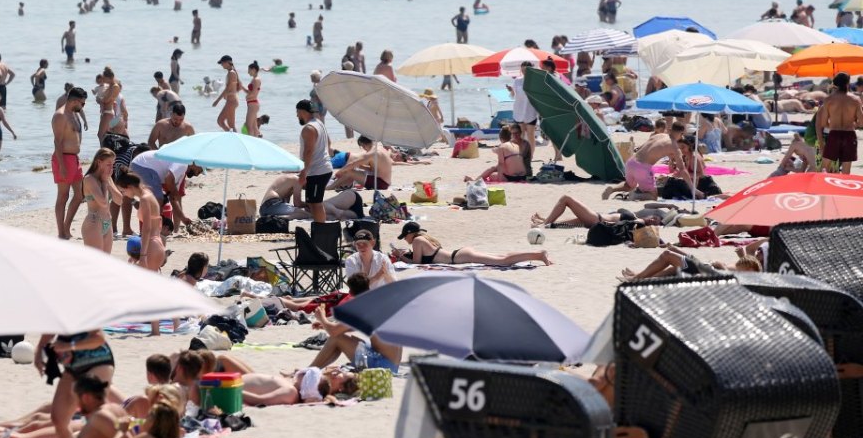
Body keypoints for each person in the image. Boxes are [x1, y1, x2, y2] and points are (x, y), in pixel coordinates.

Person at [31, 332, 118, 438]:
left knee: (94, 412)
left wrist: (68, 346)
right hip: (72, 367)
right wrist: (39, 349)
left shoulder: (83, 313)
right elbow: (50, 330)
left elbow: (98, 338)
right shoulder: (57, 314)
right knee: (59, 419)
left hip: (98, 361)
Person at [115, 171, 167, 335]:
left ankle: (156, 329)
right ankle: (158, 326)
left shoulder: (144, 199)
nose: (124, 195)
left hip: (151, 245)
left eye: (123, 191)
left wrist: (143, 255)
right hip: (157, 243)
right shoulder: (148, 194)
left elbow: (146, 229)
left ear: (129, 187)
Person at [308, 297, 401, 375]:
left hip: (382, 366)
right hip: (390, 364)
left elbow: (334, 331)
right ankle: (313, 370)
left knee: (337, 338)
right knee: (342, 337)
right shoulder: (380, 309)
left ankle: (308, 372)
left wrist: (322, 318)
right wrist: (325, 325)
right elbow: (353, 327)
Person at [396, 222, 551, 267]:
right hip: (461, 253)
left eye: (405, 236)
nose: (405, 239)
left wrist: (401, 257)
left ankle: (539, 255)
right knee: (501, 257)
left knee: (502, 261)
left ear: (410, 233)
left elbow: (416, 263)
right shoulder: (423, 238)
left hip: (461, 257)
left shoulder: (417, 240)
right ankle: (538, 255)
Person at [603, 122, 686, 200]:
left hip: (631, 162)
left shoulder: (660, 135)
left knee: (629, 185)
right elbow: (681, 168)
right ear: (681, 133)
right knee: (653, 196)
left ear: (671, 129)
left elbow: (643, 147)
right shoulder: (675, 146)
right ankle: (635, 195)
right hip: (642, 167)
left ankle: (612, 189)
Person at [128, 149, 202, 227]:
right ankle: (154, 230)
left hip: (138, 164)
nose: (197, 175)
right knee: (158, 200)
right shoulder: (183, 163)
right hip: (143, 165)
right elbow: (168, 179)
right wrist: (174, 192)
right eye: (199, 171)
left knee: (156, 201)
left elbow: (173, 199)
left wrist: (183, 218)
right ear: (195, 163)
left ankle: (151, 228)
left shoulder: (180, 174)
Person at [53, 87, 87, 239]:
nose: (83, 107)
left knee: (79, 195)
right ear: (74, 101)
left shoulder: (74, 114)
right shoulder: (60, 116)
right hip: (64, 158)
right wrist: (61, 165)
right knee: (63, 196)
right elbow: (57, 142)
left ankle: (66, 228)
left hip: (75, 158)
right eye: (82, 104)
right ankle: (61, 232)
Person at [259, 173, 365, 221]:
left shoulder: (288, 180)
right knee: (304, 213)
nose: (304, 189)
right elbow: (297, 203)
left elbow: (290, 204)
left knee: (301, 212)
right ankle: (278, 219)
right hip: (272, 204)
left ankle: (276, 218)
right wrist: (311, 204)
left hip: (266, 208)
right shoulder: (296, 180)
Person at [531, 195, 673, 229]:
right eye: (654, 218)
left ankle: (544, 224)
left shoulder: (636, 220)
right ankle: (546, 222)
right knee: (562, 224)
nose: (653, 220)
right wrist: (670, 205)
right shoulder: (635, 217)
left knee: (566, 199)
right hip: (595, 220)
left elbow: (619, 219)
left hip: (596, 219)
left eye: (656, 222)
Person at [296, 99, 334, 223]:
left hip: (318, 171)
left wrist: (303, 173)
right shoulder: (319, 123)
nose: (297, 115)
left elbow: (308, 152)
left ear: (303, 112)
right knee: (312, 202)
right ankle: (319, 227)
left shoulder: (309, 128)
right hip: (320, 169)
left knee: (315, 203)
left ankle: (321, 230)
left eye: (298, 112)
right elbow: (329, 143)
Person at [818, 72, 863, 174]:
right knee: (846, 170)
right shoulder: (855, 100)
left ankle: (822, 187)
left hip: (834, 134)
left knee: (825, 167)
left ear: (836, 84)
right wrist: (853, 124)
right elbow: (862, 123)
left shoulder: (828, 100)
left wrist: (833, 126)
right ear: (848, 83)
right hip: (849, 135)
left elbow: (824, 123)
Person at [241, 367, 356, 406]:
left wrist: (231, 390)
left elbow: (260, 400)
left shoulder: (290, 392)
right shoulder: (293, 389)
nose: (303, 371)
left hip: (230, 386)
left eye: (307, 374)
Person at [620, 248, 761, 280]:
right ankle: (640, 276)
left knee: (667, 255)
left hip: (702, 271)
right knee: (671, 264)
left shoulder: (744, 276)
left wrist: (719, 267)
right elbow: (717, 263)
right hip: (702, 267)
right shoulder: (739, 270)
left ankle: (637, 278)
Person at [81, 148, 122, 254]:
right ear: (99, 162)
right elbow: (103, 203)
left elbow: (119, 200)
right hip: (94, 223)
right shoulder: (89, 179)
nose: (111, 168)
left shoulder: (107, 178)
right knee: (95, 263)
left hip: (107, 223)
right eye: (108, 164)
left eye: (113, 164)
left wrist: (108, 183)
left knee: (105, 262)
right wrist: (104, 183)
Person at [510, 62, 538, 164]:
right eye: (523, 70)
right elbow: (513, 95)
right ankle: (521, 154)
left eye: (526, 70)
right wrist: (511, 91)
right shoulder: (517, 81)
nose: (524, 71)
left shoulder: (535, 81)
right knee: (520, 134)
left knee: (530, 134)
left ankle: (530, 155)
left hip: (531, 110)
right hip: (519, 109)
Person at [212, 55, 241, 132]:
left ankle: (234, 140)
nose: (221, 65)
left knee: (231, 125)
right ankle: (230, 137)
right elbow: (231, 88)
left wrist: (217, 100)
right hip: (230, 101)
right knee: (221, 121)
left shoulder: (231, 73)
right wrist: (226, 95)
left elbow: (228, 88)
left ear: (228, 62)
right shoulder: (231, 73)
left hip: (231, 101)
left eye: (222, 63)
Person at [244, 61, 263, 136]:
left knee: (248, 126)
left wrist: (247, 97)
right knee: (254, 127)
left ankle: (251, 142)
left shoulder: (256, 80)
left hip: (253, 104)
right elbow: (250, 92)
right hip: (251, 104)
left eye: (249, 70)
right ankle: (257, 139)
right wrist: (242, 87)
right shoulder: (254, 79)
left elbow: (254, 93)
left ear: (254, 70)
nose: (248, 72)